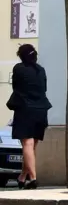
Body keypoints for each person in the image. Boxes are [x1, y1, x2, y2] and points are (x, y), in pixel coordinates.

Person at [6, 44, 52, 189]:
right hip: (41, 110)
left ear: (21, 56)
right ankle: (22, 176)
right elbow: (44, 88)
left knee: (27, 144)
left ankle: (32, 178)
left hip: (25, 109)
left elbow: (16, 87)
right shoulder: (41, 70)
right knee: (32, 146)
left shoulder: (18, 69)